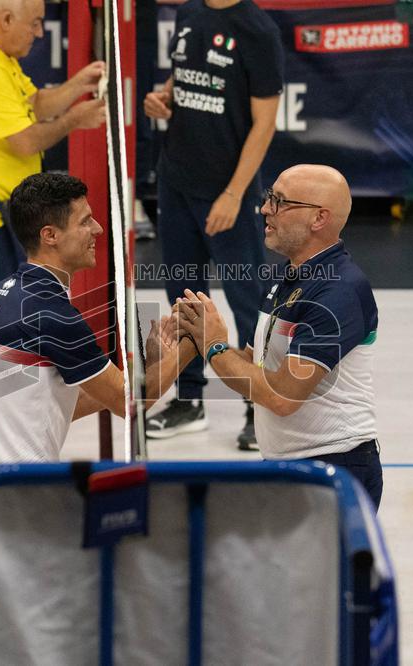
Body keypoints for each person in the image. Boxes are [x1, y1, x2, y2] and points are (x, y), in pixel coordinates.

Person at [0, 0, 107, 437]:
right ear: (5, 20)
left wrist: (77, 85)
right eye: (33, 24)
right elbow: (25, 139)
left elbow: (34, 103)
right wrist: (75, 119)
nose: (38, 33)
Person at [0, 173, 198, 467]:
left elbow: (53, 403)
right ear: (50, 235)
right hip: (14, 493)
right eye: (85, 221)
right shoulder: (52, 315)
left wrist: (152, 366)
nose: (98, 229)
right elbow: (127, 403)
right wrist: (193, 344)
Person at [174, 165, 383, 510]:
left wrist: (215, 347)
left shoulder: (338, 290)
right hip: (294, 463)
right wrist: (202, 334)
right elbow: (259, 370)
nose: (265, 209)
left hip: (333, 467)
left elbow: (282, 396)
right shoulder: (286, 277)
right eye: (269, 197)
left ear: (319, 218)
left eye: (280, 201)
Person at [142, 0, 284, 450]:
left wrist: (233, 194)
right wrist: (163, 98)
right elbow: (183, 77)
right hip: (177, 180)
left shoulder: (257, 29)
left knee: (248, 300)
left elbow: (264, 124)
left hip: (228, 192)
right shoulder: (189, 13)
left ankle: (256, 405)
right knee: (183, 293)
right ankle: (189, 400)